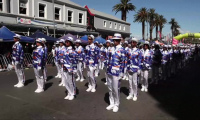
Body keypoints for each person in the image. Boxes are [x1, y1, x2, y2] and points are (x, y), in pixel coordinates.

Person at [106, 33, 125, 113]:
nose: (115, 41)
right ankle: (112, 102)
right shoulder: (111, 48)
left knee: (115, 89)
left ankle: (116, 104)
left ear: (119, 40)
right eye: (114, 40)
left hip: (117, 72)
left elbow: (123, 62)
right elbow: (108, 58)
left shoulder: (122, 49)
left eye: (117, 40)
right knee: (110, 88)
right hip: (110, 71)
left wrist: (122, 73)